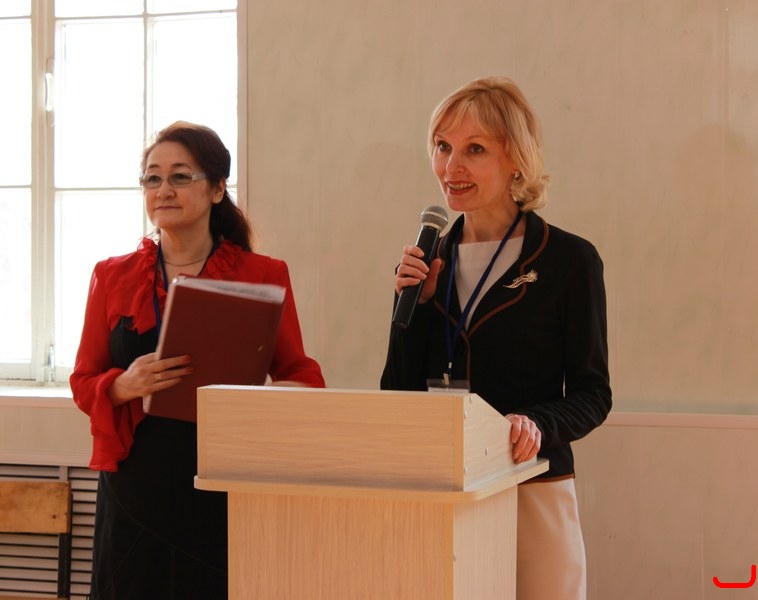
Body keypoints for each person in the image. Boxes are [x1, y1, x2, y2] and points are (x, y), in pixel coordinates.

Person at [70, 121, 325, 600]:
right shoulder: (111, 275)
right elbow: (83, 381)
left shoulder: (262, 273)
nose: (163, 189)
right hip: (135, 485)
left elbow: (301, 374)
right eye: (152, 178)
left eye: (180, 177)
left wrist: (264, 398)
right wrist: (123, 385)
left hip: (222, 480)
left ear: (217, 189)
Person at [380, 77, 611, 599]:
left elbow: (594, 395)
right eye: (443, 146)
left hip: (532, 487)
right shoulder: (424, 263)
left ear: (517, 162)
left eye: (475, 149)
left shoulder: (569, 261)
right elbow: (397, 395)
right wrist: (414, 306)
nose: (451, 167)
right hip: (442, 491)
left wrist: (537, 423)